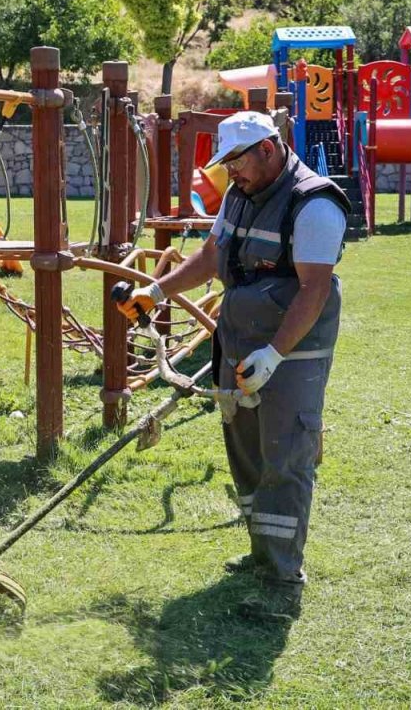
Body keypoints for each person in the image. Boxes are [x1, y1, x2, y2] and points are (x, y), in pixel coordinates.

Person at [115, 111, 349, 621]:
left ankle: (284, 582)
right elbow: (212, 256)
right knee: (245, 449)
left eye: (236, 162)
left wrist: (276, 354)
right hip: (240, 340)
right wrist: (156, 291)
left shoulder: (314, 204)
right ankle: (261, 554)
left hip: (292, 350)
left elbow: (313, 289)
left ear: (267, 149)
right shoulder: (242, 195)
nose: (230, 174)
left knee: (285, 454)